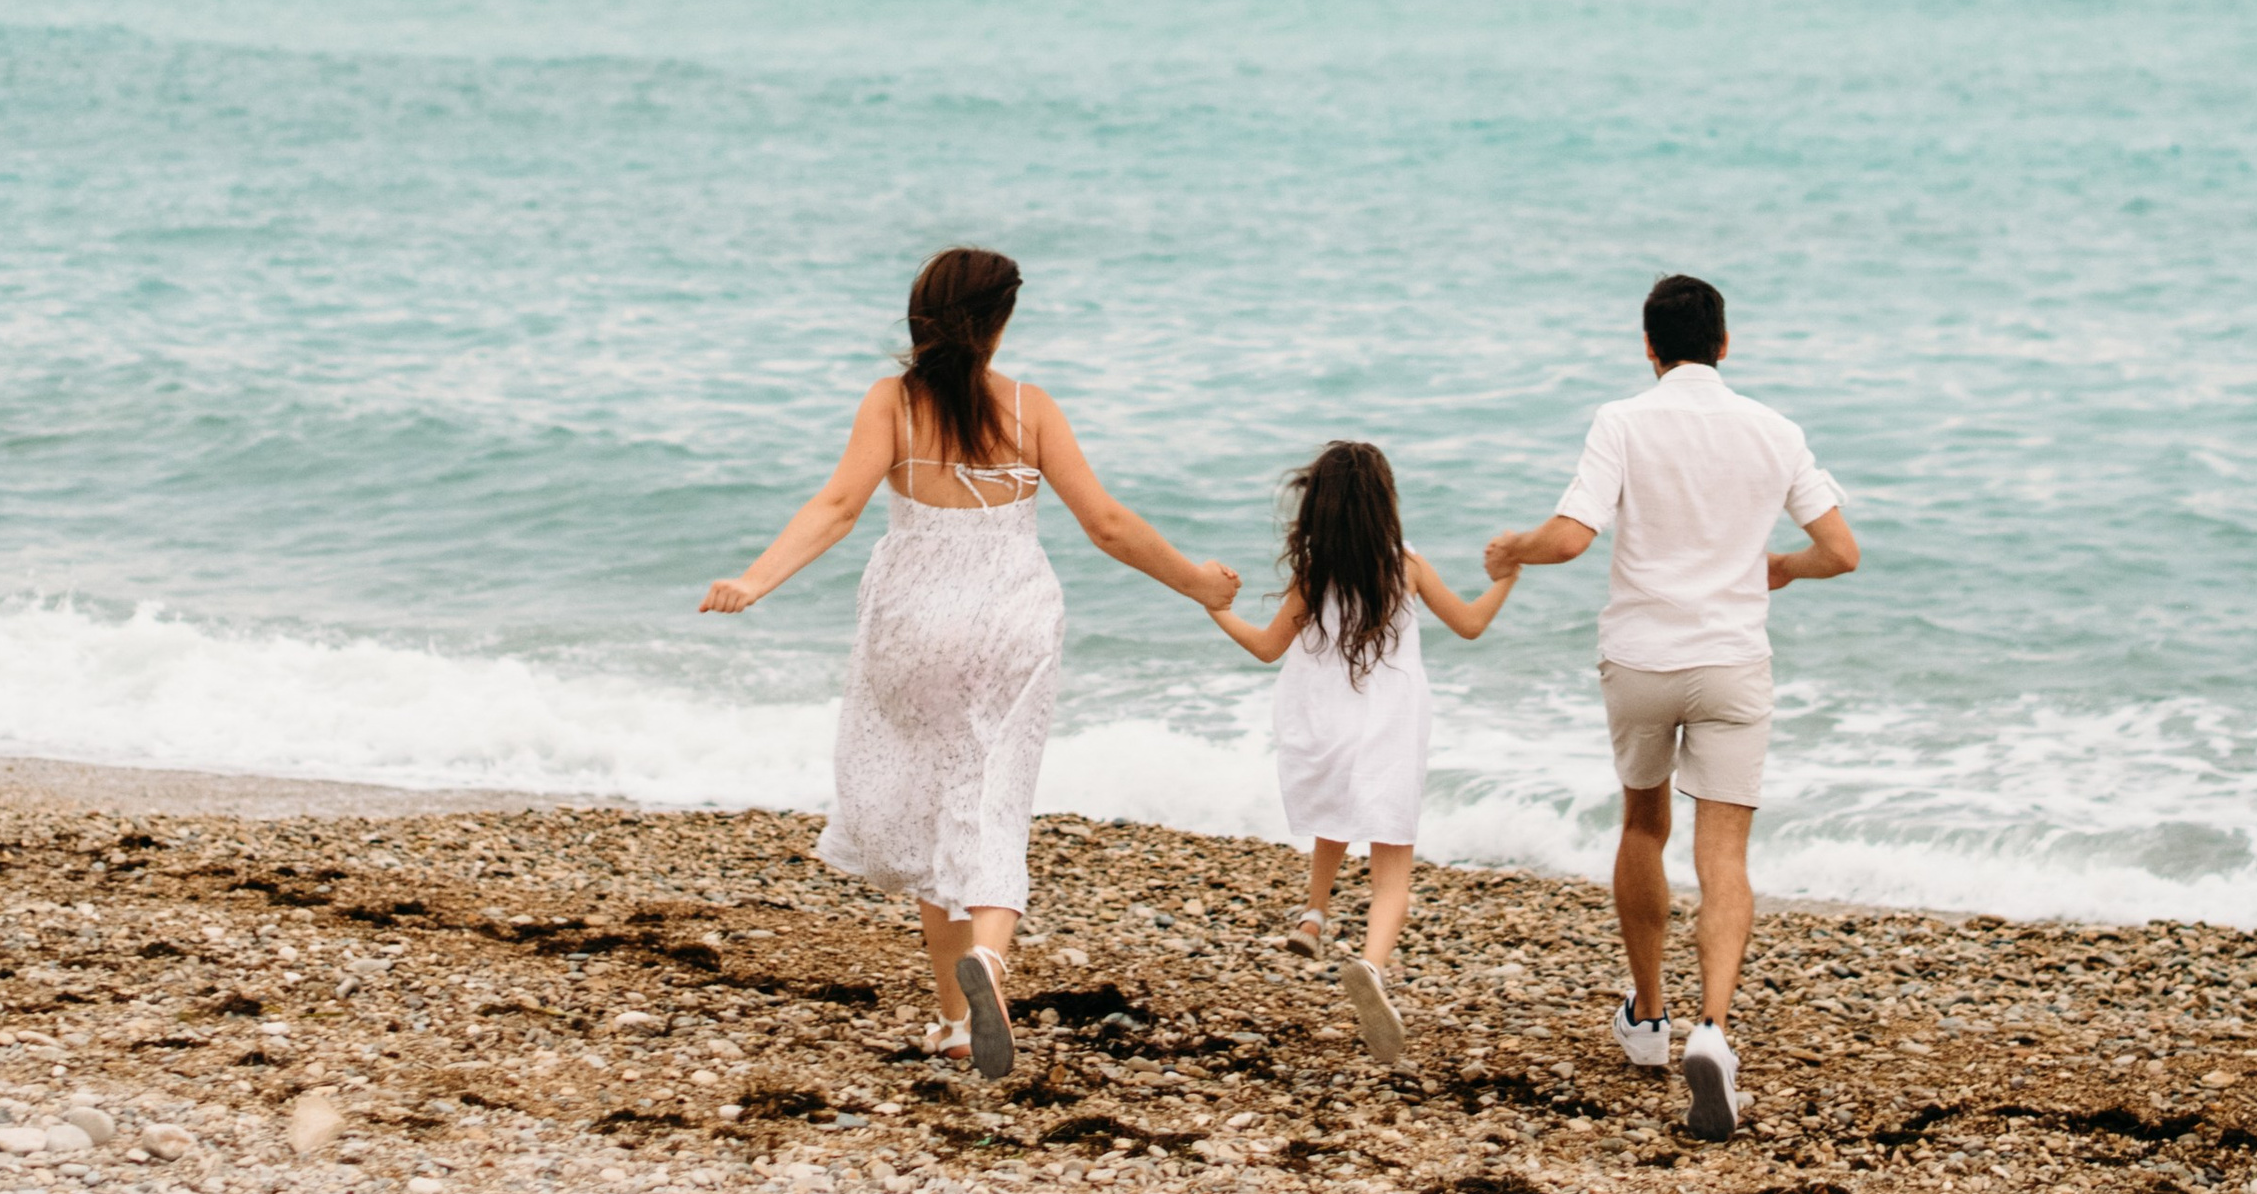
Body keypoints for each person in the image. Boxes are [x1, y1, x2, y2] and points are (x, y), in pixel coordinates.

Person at [701, 247, 1237, 1076]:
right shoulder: (1030, 407)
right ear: (1002, 319)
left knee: (927, 800)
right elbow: (1108, 525)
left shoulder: (893, 402)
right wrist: (1199, 583)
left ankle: (955, 1022)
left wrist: (755, 579)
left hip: (912, 619)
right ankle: (988, 957)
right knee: (991, 795)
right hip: (1010, 620)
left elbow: (838, 505)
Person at [1484, 274, 1860, 1143]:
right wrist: (1779, 567)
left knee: (1643, 824)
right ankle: (1714, 1030)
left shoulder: (1624, 419)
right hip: (1732, 662)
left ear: (1648, 347)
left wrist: (1514, 549)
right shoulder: (1775, 429)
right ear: (1725, 344)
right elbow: (1840, 550)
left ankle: (1649, 1017)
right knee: (1722, 850)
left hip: (1643, 659)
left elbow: (1571, 536)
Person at [1202, 438, 1514, 1068]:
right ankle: (1370, 966)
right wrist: (1508, 578)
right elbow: (1472, 624)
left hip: (1326, 728)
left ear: (1319, 508)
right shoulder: (1408, 567)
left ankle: (1313, 916)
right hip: (1391, 729)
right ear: (1383, 505)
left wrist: (1214, 608)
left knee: (1337, 819)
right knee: (1391, 865)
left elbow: (1266, 648)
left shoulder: (1314, 574)